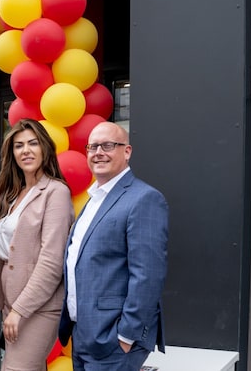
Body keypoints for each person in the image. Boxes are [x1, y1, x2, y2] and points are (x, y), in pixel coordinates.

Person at [58, 122, 169, 370]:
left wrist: (126, 335)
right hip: (84, 334)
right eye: (93, 147)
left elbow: (148, 275)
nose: (99, 152)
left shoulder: (144, 199)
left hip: (113, 340)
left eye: (108, 146)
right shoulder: (93, 200)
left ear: (127, 151)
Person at [0, 119, 74, 371]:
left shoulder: (55, 191)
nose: (25, 150)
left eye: (33, 143)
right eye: (19, 145)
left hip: (38, 306)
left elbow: (51, 260)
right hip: (11, 303)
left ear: (45, 148)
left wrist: (19, 310)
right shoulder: (11, 196)